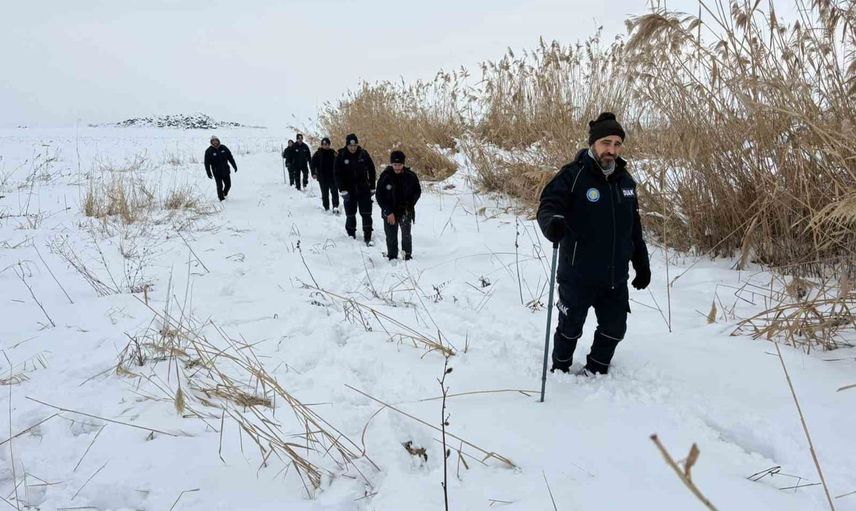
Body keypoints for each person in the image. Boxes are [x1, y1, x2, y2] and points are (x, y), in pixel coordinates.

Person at [537, 112, 650, 376]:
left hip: (615, 276)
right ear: (593, 144)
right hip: (578, 273)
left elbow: (633, 227)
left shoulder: (626, 182)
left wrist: (641, 263)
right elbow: (548, 205)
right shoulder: (573, 175)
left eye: (617, 144)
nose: (612, 150)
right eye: (606, 143)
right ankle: (560, 368)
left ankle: (596, 370)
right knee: (570, 328)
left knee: (615, 329)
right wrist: (552, 222)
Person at [376, 150, 421, 261]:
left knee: (406, 235)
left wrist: (410, 205)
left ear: (403, 164)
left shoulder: (411, 176)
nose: (397, 167)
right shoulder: (385, 176)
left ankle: (407, 256)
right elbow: (379, 196)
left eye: (399, 165)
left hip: (405, 210)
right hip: (390, 211)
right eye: (395, 164)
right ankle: (392, 257)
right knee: (391, 236)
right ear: (391, 164)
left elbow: (417, 191)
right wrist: (388, 212)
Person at [335, 133, 376, 245]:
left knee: (366, 213)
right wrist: (342, 189)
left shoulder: (363, 154)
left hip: (364, 189)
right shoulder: (341, 155)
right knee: (350, 214)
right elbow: (337, 174)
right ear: (347, 145)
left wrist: (372, 186)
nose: (353, 148)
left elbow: (371, 169)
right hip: (349, 190)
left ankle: (368, 236)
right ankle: (351, 235)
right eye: (350, 146)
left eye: (355, 145)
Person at [204, 135, 238, 201]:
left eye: (216, 140)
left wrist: (234, 166)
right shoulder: (209, 151)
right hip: (217, 172)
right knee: (219, 186)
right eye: (213, 141)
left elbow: (230, 157)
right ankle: (221, 199)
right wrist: (208, 172)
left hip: (226, 170)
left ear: (218, 141)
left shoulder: (224, 148)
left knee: (228, 185)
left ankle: (224, 193)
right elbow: (207, 163)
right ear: (211, 142)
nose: (215, 142)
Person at [311, 137, 340, 214]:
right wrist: (313, 173)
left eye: (327, 144)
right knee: (325, 193)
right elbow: (312, 164)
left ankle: (335, 206)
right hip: (322, 177)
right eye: (324, 144)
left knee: (334, 192)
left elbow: (339, 162)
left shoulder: (333, 153)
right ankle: (326, 207)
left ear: (329, 145)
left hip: (332, 177)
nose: (326, 146)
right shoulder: (318, 153)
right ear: (321, 145)